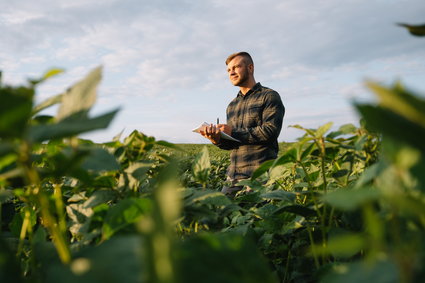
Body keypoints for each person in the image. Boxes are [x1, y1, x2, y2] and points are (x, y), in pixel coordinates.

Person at [200, 51, 285, 196]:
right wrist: (218, 139)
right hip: (233, 176)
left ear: (250, 68)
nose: (231, 72)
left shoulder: (269, 96)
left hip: (260, 176)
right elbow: (233, 143)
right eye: (228, 70)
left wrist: (232, 131)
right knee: (222, 213)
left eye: (236, 67)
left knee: (258, 216)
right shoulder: (232, 105)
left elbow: (270, 131)